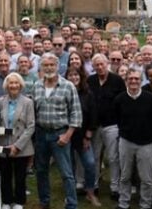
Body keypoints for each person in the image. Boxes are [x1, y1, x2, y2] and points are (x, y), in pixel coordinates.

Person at [32, 54, 82, 209]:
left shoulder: (68, 86)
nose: (48, 68)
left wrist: (68, 135)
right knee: (41, 170)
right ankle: (44, 201)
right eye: (45, 65)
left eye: (51, 65)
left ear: (57, 66)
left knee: (66, 173)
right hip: (41, 134)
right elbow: (33, 111)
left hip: (59, 134)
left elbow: (76, 113)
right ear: (41, 67)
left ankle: (72, 204)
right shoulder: (37, 86)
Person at [113, 67, 152, 209]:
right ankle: (123, 203)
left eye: (136, 79)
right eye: (130, 78)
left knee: (146, 178)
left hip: (145, 143)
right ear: (126, 80)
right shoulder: (119, 99)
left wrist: (148, 137)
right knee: (125, 176)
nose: (133, 81)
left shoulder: (150, 98)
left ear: (141, 81)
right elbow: (118, 119)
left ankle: (145, 204)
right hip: (126, 141)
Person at [87, 52, 126, 201]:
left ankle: (115, 187)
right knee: (95, 156)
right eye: (96, 65)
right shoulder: (90, 81)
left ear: (107, 64)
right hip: (95, 126)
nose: (100, 67)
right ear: (93, 67)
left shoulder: (117, 80)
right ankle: (94, 184)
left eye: (102, 64)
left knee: (113, 157)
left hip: (112, 125)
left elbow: (122, 103)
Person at [0, 73, 36, 209]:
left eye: (16, 83)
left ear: (20, 85)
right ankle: (6, 201)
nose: (13, 85)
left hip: (22, 146)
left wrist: (17, 146)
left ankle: (19, 202)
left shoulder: (28, 102)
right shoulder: (0, 101)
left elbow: (31, 126)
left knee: (20, 176)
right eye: (11, 83)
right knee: (5, 175)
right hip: (4, 144)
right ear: (6, 85)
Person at [66, 64, 101, 207]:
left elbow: (93, 116)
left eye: (76, 75)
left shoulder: (88, 94)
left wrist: (88, 136)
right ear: (66, 78)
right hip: (66, 136)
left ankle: (90, 193)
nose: (74, 77)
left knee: (90, 163)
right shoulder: (63, 92)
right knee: (69, 167)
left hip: (82, 137)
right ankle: (69, 195)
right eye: (70, 75)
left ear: (81, 77)